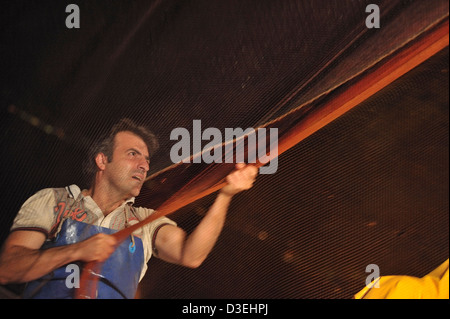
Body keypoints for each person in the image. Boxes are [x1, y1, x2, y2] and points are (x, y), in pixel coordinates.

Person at [0, 118, 258, 298]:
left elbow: (191, 255)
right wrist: (77, 250)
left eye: (146, 160)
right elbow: (7, 269)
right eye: (133, 154)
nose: (144, 166)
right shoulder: (55, 200)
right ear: (103, 160)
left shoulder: (146, 222)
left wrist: (225, 195)